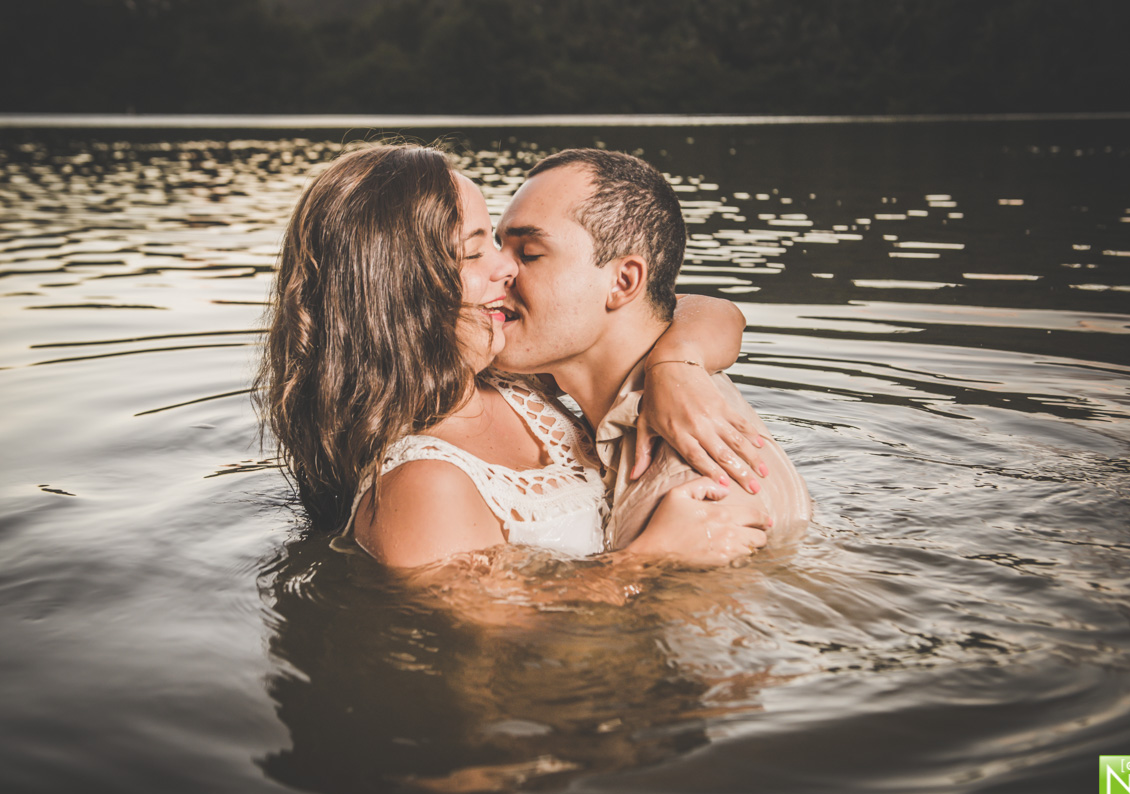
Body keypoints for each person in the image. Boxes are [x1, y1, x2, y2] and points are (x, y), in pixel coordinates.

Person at [256, 143, 774, 569]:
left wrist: (676, 364)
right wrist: (651, 558)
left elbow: (684, 307)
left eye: (517, 250)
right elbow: (510, 659)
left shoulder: (512, 376)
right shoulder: (423, 487)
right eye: (475, 250)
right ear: (401, 292)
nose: (506, 268)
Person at [493, 148, 811, 552]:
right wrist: (675, 362)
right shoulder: (661, 371)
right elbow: (705, 308)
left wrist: (641, 561)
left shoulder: (694, 499)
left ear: (624, 282)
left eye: (529, 254)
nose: (497, 268)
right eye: (497, 246)